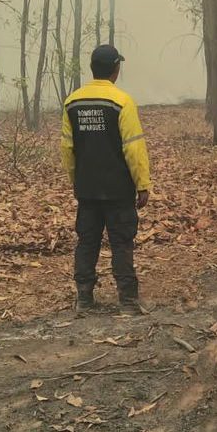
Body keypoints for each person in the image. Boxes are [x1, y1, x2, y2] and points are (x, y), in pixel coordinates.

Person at [60, 44, 151, 314]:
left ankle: (84, 299)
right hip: (118, 189)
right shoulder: (122, 102)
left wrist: (76, 179)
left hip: (87, 188)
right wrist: (143, 184)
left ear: (92, 68)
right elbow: (133, 147)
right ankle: (128, 301)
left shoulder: (72, 102)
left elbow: (67, 148)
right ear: (115, 69)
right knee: (121, 242)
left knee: (87, 241)